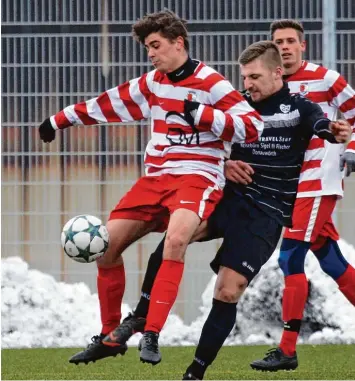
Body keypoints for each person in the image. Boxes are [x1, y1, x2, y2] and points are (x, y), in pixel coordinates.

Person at [102, 40, 351, 374]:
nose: (247, 84)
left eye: (254, 77)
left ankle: (196, 371)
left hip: (266, 213)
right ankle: (142, 318)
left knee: (228, 290)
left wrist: (335, 132)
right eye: (244, 77)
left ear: (277, 73)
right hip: (228, 200)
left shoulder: (301, 108)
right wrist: (227, 164)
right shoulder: (237, 105)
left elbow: (322, 126)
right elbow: (207, 147)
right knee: (178, 236)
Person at [38, 10, 264, 365]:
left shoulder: (211, 82)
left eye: (156, 45)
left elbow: (252, 127)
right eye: (147, 48)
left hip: (198, 176)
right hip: (155, 179)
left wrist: (203, 115)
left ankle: (152, 333)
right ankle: (110, 336)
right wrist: (59, 119)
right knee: (106, 246)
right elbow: (109, 103)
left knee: (176, 241)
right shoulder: (152, 82)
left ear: (179, 43)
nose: (151, 54)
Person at [249, 19, 355, 372]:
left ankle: (287, 349)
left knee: (290, 260)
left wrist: (351, 146)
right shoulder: (272, 84)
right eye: (278, 41)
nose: (285, 46)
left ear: (302, 46)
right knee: (332, 263)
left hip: (318, 182)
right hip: (293, 186)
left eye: (291, 41)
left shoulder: (326, 79)